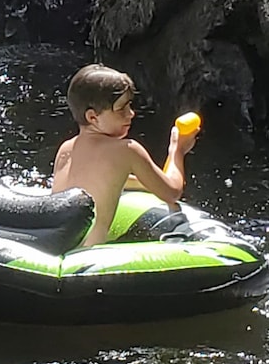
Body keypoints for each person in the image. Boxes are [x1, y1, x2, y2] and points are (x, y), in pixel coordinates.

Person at [51, 64, 197, 248]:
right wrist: (177, 149)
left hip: (53, 249)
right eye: (121, 109)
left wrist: (146, 183)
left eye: (130, 106)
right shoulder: (127, 150)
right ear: (93, 117)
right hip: (87, 255)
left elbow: (104, 180)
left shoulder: (66, 149)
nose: (131, 114)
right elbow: (172, 192)